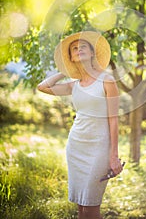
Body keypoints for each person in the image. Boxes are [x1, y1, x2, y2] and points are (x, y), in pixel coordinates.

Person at [37, 31, 123, 219]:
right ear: (71, 58)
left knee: (91, 209)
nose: (78, 50)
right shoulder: (73, 85)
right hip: (76, 146)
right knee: (81, 210)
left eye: (83, 46)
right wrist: (64, 70)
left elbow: (114, 119)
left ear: (92, 53)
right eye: (74, 49)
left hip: (99, 148)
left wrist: (114, 156)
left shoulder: (107, 80)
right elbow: (42, 87)